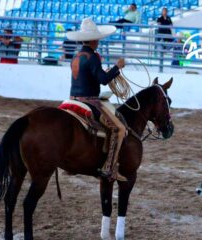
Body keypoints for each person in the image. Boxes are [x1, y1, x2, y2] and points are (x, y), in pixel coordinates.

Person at [66, 18, 127, 181]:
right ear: (94, 40)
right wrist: (117, 67)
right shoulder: (92, 57)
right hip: (89, 102)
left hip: (72, 99)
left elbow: (90, 76)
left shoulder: (76, 56)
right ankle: (109, 168)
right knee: (119, 129)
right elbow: (104, 80)